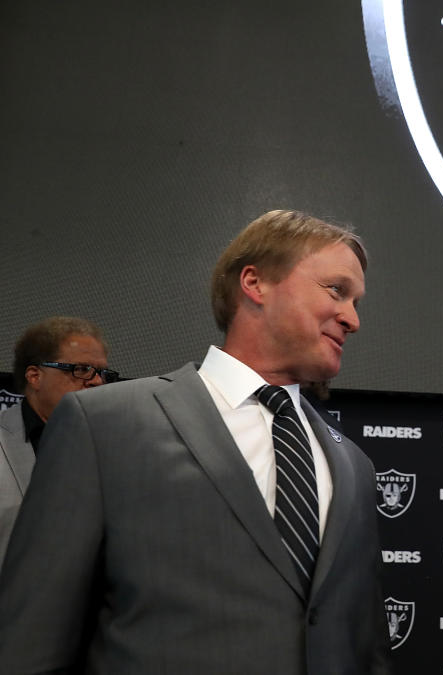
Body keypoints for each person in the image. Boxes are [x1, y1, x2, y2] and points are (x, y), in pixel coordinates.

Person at [0, 210, 391, 674]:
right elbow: (31, 643)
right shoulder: (105, 424)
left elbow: (366, 649)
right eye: (337, 290)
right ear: (255, 282)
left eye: (356, 302)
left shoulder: (355, 466)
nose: (352, 319)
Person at [0, 316, 114, 566]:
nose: (97, 381)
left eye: (103, 373)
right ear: (34, 376)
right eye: (81, 370)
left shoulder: (117, 448)